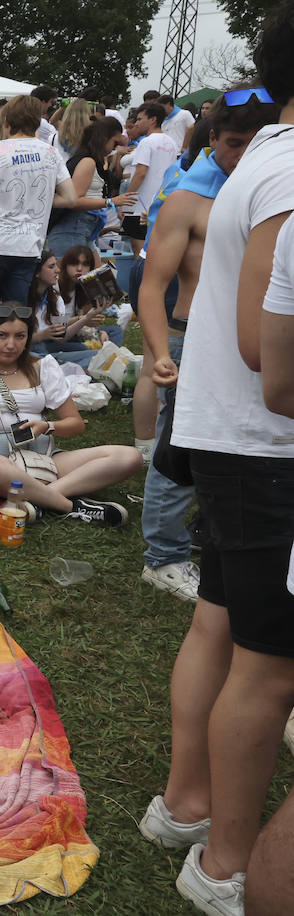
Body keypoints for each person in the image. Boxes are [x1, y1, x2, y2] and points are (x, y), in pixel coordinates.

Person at [145, 10, 294, 909]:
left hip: (237, 436)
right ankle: (226, 863)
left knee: (222, 625)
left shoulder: (266, 158)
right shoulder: (288, 174)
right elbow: (268, 357)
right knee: (270, 664)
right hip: (266, 443)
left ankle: (187, 806)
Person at [135, 90, 274, 603]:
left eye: (251, 144)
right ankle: (163, 557)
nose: (240, 154)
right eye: (232, 143)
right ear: (211, 138)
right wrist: (159, 351)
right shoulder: (188, 202)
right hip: (194, 335)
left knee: (243, 445)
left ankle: (209, 536)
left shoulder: (271, 192)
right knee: (181, 449)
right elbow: (152, 286)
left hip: (258, 340)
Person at [0, 306, 141, 525]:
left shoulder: (43, 366)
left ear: (28, 339)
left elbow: (75, 424)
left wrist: (47, 427)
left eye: (20, 336)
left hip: (40, 455)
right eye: (2, 335)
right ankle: (70, 505)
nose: (10, 344)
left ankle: (38, 501)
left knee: (130, 457)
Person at [0, 94, 76, 347]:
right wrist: (43, 200)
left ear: (6, 122)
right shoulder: (50, 153)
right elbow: (70, 198)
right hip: (29, 247)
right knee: (17, 310)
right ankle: (14, 360)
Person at [45, 116, 134, 254]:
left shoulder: (89, 159)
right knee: (75, 274)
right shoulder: (88, 161)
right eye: (114, 143)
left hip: (81, 228)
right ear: (104, 138)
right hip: (73, 228)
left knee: (95, 273)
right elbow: (74, 200)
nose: (114, 149)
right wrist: (111, 201)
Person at [29, 247, 112, 368]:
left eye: (56, 266)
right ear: (37, 272)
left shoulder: (56, 299)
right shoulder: (22, 297)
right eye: (51, 267)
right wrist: (41, 336)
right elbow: (13, 339)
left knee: (98, 355)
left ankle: (60, 367)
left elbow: (61, 337)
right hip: (29, 352)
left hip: (49, 350)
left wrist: (88, 317)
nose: (57, 270)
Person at [124, 102, 180, 255]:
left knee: (140, 251)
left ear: (153, 119)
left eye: (140, 119)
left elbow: (141, 173)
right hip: (161, 204)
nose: (137, 123)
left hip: (140, 207)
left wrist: (125, 201)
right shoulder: (172, 143)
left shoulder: (146, 142)